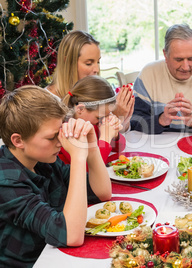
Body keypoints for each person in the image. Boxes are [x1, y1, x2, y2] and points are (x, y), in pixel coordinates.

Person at [0, 86, 112, 266]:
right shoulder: (6, 181)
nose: (60, 141)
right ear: (18, 141)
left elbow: (101, 193)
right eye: (53, 136)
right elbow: (70, 235)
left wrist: (91, 146)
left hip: (54, 256)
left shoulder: (42, 161)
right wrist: (77, 157)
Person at [131, 24, 192, 134]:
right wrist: (161, 120)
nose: (186, 67)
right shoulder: (148, 75)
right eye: (178, 59)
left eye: (191, 59)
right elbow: (134, 122)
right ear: (165, 55)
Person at [47, 30, 134, 132]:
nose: (96, 69)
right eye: (89, 63)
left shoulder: (97, 96)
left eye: (98, 62)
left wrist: (122, 120)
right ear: (68, 62)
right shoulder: (48, 102)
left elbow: (118, 141)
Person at [60, 75, 126, 165]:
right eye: (99, 117)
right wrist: (105, 138)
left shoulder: (92, 124)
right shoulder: (67, 131)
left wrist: (114, 135)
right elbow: (89, 169)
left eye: (107, 115)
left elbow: (119, 148)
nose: (103, 120)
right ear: (80, 109)